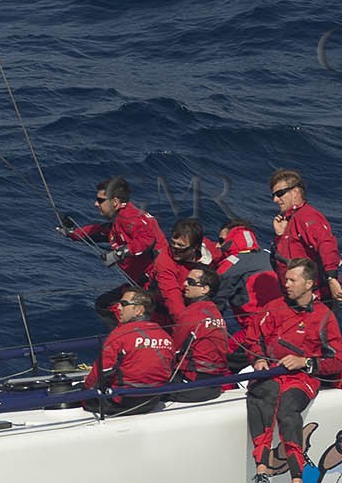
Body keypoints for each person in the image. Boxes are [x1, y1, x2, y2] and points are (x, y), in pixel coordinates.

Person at [241, 259, 342, 483]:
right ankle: (262, 469)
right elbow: (252, 339)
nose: (285, 284)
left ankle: (297, 481)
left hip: (303, 377)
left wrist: (305, 362)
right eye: (285, 279)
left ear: (308, 284)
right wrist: (257, 360)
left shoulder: (324, 316)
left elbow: (337, 360)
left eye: (291, 280)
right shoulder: (272, 308)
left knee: (288, 407)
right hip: (272, 372)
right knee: (263, 395)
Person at [59, 177, 165, 326]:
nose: (96, 204)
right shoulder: (123, 219)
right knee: (104, 304)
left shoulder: (132, 220)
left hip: (154, 285)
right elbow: (100, 231)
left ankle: (130, 336)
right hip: (141, 282)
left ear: (114, 202)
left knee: (107, 306)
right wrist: (72, 233)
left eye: (100, 200)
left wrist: (117, 254)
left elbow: (146, 240)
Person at [82, 288, 175, 416]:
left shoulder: (120, 335)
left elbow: (101, 371)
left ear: (139, 310)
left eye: (124, 304)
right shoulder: (165, 336)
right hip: (152, 401)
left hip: (124, 402)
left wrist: (85, 390)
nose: (118, 307)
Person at [269, 169, 342, 308]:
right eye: (273, 195)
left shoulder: (307, 216)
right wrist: (280, 236)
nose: (275, 199)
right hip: (294, 297)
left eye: (279, 194)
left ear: (295, 192)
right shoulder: (290, 219)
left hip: (313, 300)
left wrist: (332, 278)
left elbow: (326, 244)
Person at [169, 267, 230, 402]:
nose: (184, 284)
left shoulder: (191, 314)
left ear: (205, 289)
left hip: (193, 381)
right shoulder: (215, 312)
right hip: (215, 381)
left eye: (190, 282)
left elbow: (174, 349)